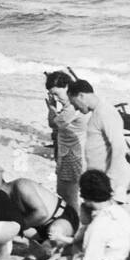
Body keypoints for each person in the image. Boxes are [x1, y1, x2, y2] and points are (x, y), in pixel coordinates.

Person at [67, 79, 130, 202]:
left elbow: (119, 147)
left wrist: (110, 179)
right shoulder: (98, 112)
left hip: (106, 182)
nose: (75, 108)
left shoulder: (105, 112)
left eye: (74, 102)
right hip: (98, 179)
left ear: (81, 96)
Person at [46, 71, 84, 209]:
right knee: (67, 194)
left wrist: (51, 108)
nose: (55, 98)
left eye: (56, 94)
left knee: (68, 196)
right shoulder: (73, 105)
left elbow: (52, 123)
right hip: (70, 154)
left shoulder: (70, 109)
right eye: (52, 95)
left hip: (72, 157)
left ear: (67, 87)